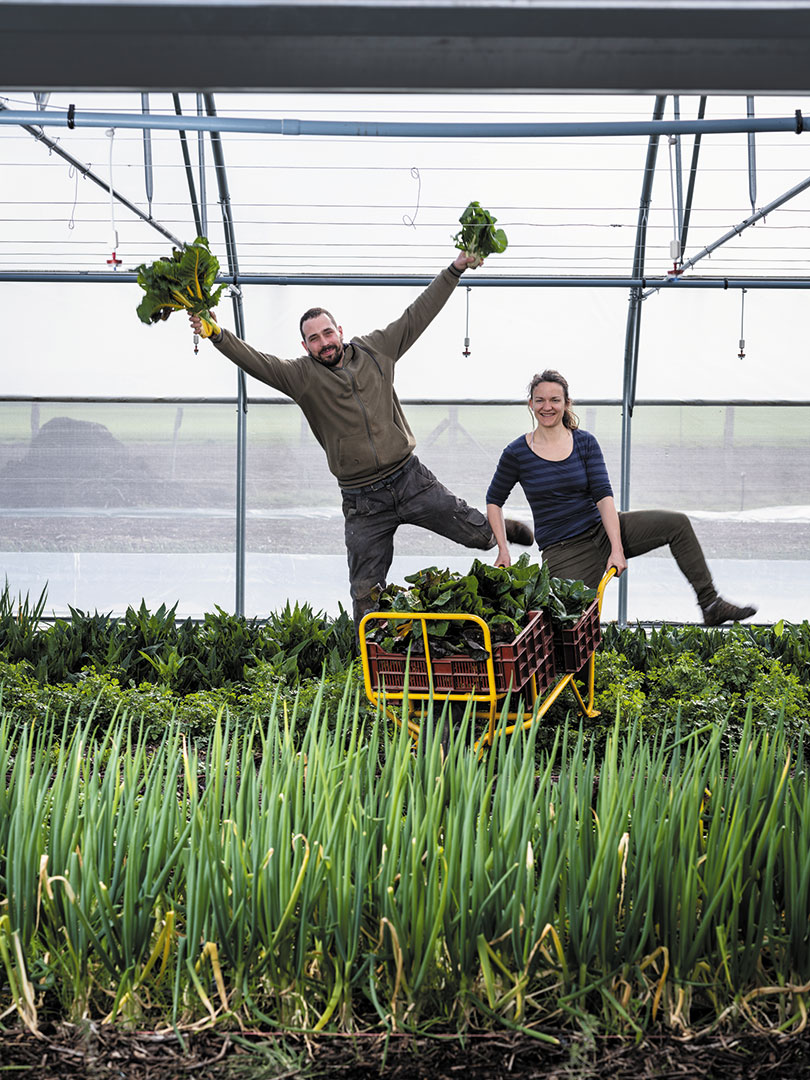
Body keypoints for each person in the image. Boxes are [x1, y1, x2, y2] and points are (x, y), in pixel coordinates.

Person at [189, 251, 533, 627]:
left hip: (410, 479)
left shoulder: (376, 349)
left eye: (327, 332)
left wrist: (455, 269)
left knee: (477, 536)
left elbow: (418, 314)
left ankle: (497, 530)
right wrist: (217, 335)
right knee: (366, 589)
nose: (323, 342)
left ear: (339, 330)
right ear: (305, 347)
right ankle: (372, 659)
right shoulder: (301, 377)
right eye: (313, 339)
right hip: (362, 501)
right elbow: (257, 362)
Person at [485, 369, 757, 627]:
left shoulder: (584, 443)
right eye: (540, 400)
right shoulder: (517, 452)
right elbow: (494, 500)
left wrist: (617, 547)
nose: (548, 407)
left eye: (555, 400)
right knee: (568, 627)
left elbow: (603, 497)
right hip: (563, 551)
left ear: (567, 403)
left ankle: (710, 605)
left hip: (604, 530)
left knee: (677, 524)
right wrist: (503, 549)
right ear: (530, 404)